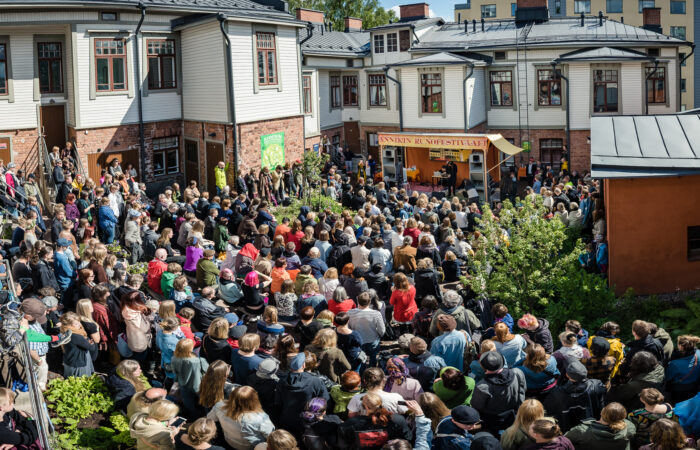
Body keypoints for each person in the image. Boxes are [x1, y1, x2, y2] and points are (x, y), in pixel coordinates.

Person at [471, 352, 527, 435]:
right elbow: (522, 392)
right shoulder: (518, 373)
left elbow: (476, 406)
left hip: (491, 421)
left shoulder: (482, 386)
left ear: (483, 366)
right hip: (513, 415)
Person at [274, 352, 330, 435]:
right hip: (308, 421)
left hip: (287, 420)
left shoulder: (282, 381)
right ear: (304, 365)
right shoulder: (316, 381)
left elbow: (278, 402)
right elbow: (324, 400)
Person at [543, 361, 606, 433]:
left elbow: (549, 411)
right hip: (591, 428)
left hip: (567, 431)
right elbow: (602, 404)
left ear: (567, 375)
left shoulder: (556, 393)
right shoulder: (596, 385)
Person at [207, 385, 274, 449]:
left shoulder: (219, 406)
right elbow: (271, 436)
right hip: (251, 447)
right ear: (254, 400)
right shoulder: (261, 417)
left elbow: (210, 418)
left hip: (230, 441)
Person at [337, 392, 412, 449]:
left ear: (365, 407)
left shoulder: (350, 424)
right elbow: (407, 440)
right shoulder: (397, 420)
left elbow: (342, 446)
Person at [564, 403, 636, 450]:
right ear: (622, 417)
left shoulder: (582, 431)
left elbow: (565, 439)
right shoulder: (629, 427)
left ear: (602, 411)